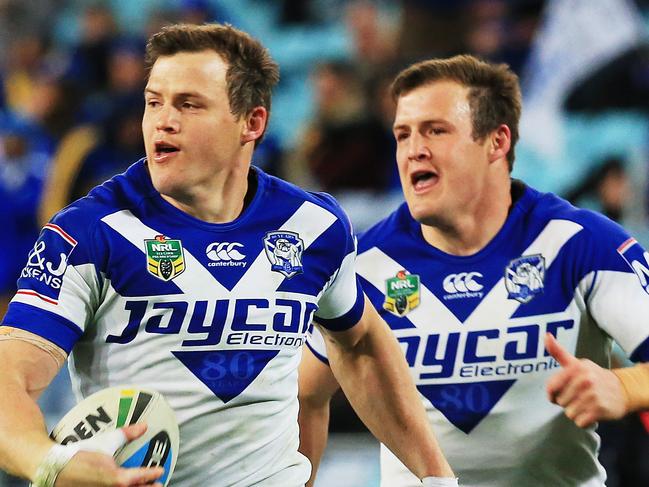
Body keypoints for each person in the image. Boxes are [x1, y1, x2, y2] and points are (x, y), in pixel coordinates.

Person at [0, 23, 456, 487]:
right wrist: (49, 463)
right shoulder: (88, 232)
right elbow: (9, 379)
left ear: (252, 123)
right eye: (154, 102)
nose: (163, 120)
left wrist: (436, 476)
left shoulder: (314, 226)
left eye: (189, 104)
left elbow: (358, 343)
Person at [299, 54, 649, 487]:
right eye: (402, 134)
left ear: (497, 143)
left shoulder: (581, 243)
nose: (414, 151)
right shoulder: (366, 265)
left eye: (436, 131)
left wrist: (625, 387)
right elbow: (303, 395)